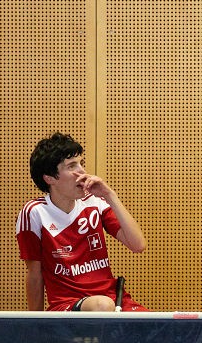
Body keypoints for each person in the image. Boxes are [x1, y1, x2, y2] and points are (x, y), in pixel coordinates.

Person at [16, 132, 148, 312]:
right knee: (101, 306)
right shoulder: (34, 212)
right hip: (67, 306)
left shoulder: (95, 202)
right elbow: (34, 275)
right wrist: (37, 326)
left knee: (163, 330)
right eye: (72, 166)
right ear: (50, 178)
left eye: (81, 163)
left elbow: (138, 244)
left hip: (112, 301)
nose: (82, 172)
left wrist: (110, 195)